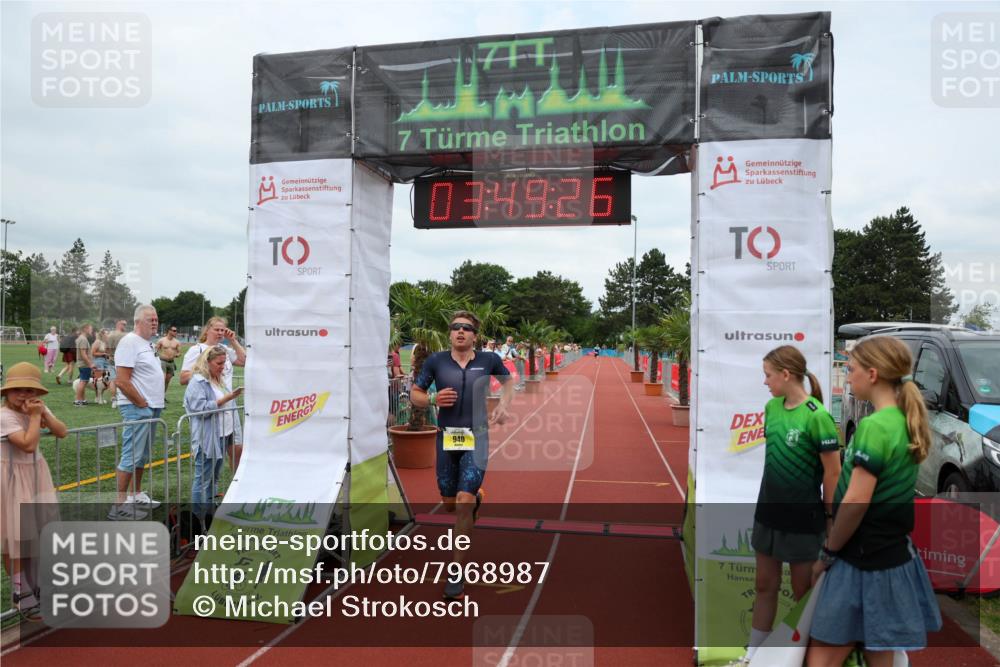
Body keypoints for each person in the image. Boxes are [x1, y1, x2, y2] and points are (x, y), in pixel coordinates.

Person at [807, 336, 941, 667]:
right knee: (878, 652)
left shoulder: (875, 426)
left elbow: (856, 502)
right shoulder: (903, 421)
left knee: (821, 659)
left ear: (873, 373)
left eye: (850, 369)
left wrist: (828, 553)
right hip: (893, 557)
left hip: (859, 557)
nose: (847, 376)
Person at [744, 345, 841, 663]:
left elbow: (833, 472)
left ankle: (803, 660)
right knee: (764, 586)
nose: (765, 382)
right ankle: (753, 656)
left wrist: (830, 520)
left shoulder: (818, 416)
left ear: (786, 375)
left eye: (768, 375)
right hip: (768, 514)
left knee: (804, 597)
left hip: (803, 521)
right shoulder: (771, 408)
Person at [410, 311, 514, 599]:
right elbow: (415, 393)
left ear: (474, 335)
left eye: (466, 328)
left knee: (463, 503)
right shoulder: (436, 361)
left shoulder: (489, 360)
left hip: (476, 436)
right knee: (449, 504)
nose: (460, 332)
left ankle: (456, 570)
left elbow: (508, 383)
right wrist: (431, 398)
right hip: (446, 437)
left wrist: (503, 406)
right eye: (455, 327)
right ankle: (475, 499)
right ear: (450, 333)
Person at [1, 362, 67, 616]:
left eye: (31, 390)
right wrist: (37, 417)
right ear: (7, 392)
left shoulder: (36, 410)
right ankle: (20, 591)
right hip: (11, 478)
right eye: (18, 390)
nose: (24, 395)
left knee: (34, 534)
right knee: (14, 536)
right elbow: (27, 444)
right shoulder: (4, 415)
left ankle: (36, 584)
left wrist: (44, 414)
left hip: (35, 475)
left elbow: (62, 431)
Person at [109, 304, 165, 520]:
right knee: (131, 454)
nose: (155, 322)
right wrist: (141, 403)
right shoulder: (130, 342)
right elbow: (122, 380)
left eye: (156, 319)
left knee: (142, 455)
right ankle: (119, 503)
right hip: (138, 407)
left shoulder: (147, 344)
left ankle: (136, 493)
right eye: (150, 319)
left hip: (151, 406)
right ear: (138, 321)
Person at [183, 346, 243, 529]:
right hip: (207, 437)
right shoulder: (198, 382)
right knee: (202, 479)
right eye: (219, 363)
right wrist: (227, 398)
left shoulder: (219, 379)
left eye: (224, 362)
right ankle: (197, 522)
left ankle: (208, 518)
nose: (223, 366)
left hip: (223, 434)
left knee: (214, 478)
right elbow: (199, 409)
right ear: (207, 362)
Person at [179, 316, 246, 472]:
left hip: (229, 403)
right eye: (217, 329)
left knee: (237, 448)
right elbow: (183, 378)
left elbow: (244, 361)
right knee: (210, 453)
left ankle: (235, 485)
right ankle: (207, 490)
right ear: (207, 329)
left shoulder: (225, 350)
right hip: (209, 405)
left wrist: (233, 341)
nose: (220, 332)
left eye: (223, 330)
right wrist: (205, 370)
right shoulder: (197, 349)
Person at [105, 319, 128, 403]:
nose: (125, 326)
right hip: (123, 360)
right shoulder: (126, 335)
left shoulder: (110, 335)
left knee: (112, 379)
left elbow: (107, 349)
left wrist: (110, 355)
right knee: (122, 379)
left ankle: (114, 398)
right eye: (124, 324)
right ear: (118, 324)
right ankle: (120, 397)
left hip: (112, 359)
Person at [155, 325, 182, 394]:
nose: (176, 332)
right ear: (169, 331)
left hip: (171, 363)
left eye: (176, 331)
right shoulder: (161, 340)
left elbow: (179, 353)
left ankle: (163, 396)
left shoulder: (177, 342)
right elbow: (155, 350)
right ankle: (158, 395)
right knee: (162, 379)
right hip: (162, 361)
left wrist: (177, 355)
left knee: (167, 380)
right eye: (174, 331)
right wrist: (158, 356)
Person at [73, 323, 94, 406]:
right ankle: (78, 400)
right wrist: (90, 364)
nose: (91, 331)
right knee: (83, 382)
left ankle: (82, 400)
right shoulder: (83, 339)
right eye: (90, 329)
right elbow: (83, 354)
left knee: (84, 381)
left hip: (83, 364)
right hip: (84, 364)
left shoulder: (81, 338)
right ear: (85, 329)